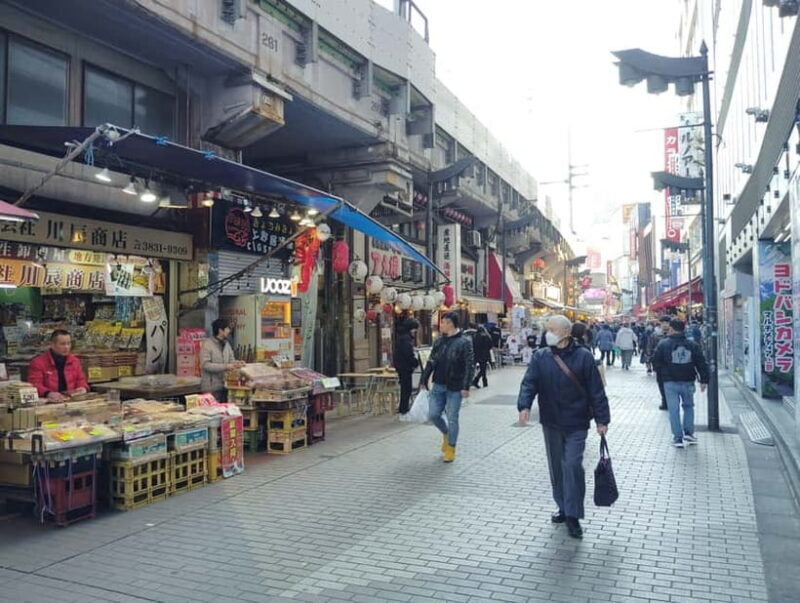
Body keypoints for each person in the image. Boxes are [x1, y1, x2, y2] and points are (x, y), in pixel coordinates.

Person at [517, 315, 611, 539]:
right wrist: (524, 406)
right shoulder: (541, 357)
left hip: (577, 422)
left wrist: (602, 420)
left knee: (572, 465)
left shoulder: (584, 357)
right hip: (551, 421)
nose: (547, 333)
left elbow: (596, 391)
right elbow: (529, 382)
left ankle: (573, 515)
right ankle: (563, 506)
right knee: (557, 468)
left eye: (551, 329)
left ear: (566, 333)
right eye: (547, 329)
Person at [420, 312, 474, 463]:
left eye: (443, 322)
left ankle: (451, 448)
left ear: (451, 324)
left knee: (452, 418)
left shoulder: (464, 342)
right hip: (438, 384)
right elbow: (431, 361)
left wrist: (466, 386)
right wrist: (424, 378)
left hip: (455, 387)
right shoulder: (439, 342)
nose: (441, 325)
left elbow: (469, 366)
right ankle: (446, 433)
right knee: (433, 414)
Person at [652, 318, 709, 448]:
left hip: (670, 382)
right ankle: (689, 432)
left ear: (671, 329)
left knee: (673, 409)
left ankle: (677, 437)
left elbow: (656, 361)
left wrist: (662, 374)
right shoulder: (692, 345)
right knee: (688, 407)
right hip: (688, 380)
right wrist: (704, 379)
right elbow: (701, 362)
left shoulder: (663, 344)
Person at [28, 329, 89, 402]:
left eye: (69, 343)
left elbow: (81, 380)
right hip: (49, 402)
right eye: (63, 344)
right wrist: (48, 393)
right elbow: (35, 384)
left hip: (71, 401)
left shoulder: (75, 361)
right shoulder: (38, 362)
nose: (66, 347)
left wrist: (83, 388)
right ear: (52, 345)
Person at [200, 318, 245, 402]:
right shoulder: (207, 345)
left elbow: (231, 360)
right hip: (211, 387)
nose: (229, 331)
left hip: (225, 385)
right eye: (227, 329)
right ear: (220, 330)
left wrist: (237, 363)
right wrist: (225, 367)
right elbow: (205, 365)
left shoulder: (226, 344)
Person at [394, 318, 420, 415]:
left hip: (402, 367)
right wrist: (415, 362)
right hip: (405, 367)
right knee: (406, 388)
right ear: (411, 328)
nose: (415, 331)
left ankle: (403, 407)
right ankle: (403, 408)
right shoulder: (405, 339)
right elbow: (408, 354)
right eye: (415, 329)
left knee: (405, 388)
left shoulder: (402, 337)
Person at [648, 316, 673, 409]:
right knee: (661, 383)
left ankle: (671, 401)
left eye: (667, 323)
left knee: (671, 384)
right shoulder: (655, 335)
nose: (665, 325)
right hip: (660, 365)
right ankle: (664, 401)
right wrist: (649, 361)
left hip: (672, 365)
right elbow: (649, 347)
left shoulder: (673, 335)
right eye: (663, 323)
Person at [472, 324, 493, 389]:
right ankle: (478, 380)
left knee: (479, 369)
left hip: (476, 354)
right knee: (483, 369)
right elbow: (490, 345)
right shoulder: (487, 336)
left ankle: (482, 381)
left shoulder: (475, 336)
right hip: (485, 354)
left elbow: (473, 345)